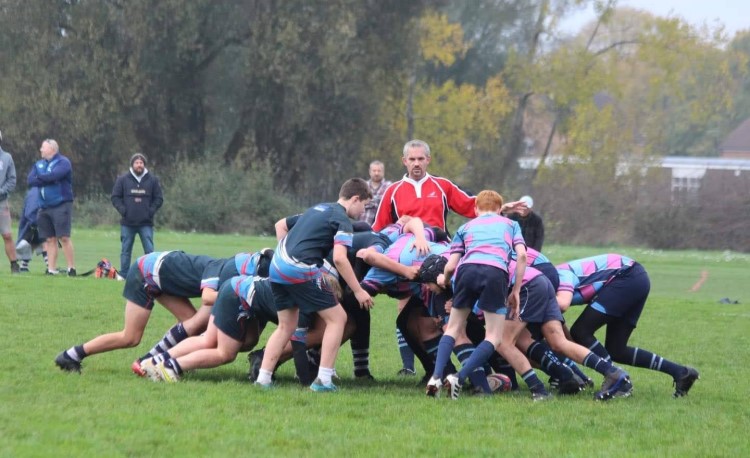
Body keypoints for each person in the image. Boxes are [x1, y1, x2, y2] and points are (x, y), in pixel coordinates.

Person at [254, 178, 373, 392]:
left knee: (285, 326)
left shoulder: (317, 209)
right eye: (364, 205)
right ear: (355, 199)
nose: (363, 211)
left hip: (277, 266)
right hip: (300, 268)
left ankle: (263, 379)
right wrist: (358, 291)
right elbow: (339, 259)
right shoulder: (342, 220)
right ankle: (324, 380)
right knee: (338, 319)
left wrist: (286, 256)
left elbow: (280, 224)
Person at [556, 253, 700, 398]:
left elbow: (562, 306)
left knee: (581, 330)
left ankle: (619, 381)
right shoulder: (547, 283)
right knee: (617, 350)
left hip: (626, 276)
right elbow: (559, 335)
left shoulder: (560, 275)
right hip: (634, 278)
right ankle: (681, 373)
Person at [54, 251, 218, 373]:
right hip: (145, 273)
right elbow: (207, 300)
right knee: (130, 337)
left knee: (192, 323)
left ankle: (167, 363)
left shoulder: (229, 269)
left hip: (161, 275)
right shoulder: (225, 275)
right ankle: (70, 356)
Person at [372, 139, 476, 232]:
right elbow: (379, 228)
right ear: (404, 161)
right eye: (412, 159)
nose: (416, 163)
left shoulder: (443, 186)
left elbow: (472, 206)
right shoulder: (392, 191)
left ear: (428, 160)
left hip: (439, 244)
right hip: (404, 247)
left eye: (420, 159)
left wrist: (491, 203)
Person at [27, 139, 76, 276]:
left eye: (43, 147)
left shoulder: (63, 162)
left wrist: (42, 178)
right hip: (44, 207)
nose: (41, 150)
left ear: (52, 149)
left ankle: (71, 268)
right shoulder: (39, 164)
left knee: (64, 237)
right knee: (49, 239)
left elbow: (55, 175)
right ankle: (51, 269)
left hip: (61, 204)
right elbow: (30, 180)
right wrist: (46, 178)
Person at [111, 153, 164, 278]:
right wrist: (123, 210)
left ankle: (150, 274)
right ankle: (124, 274)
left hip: (146, 223)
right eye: (136, 163)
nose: (139, 165)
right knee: (125, 251)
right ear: (132, 164)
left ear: (144, 165)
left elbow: (159, 198)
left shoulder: (152, 180)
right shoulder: (123, 179)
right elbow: (115, 197)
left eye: (141, 163)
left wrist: (150, 211)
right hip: (127, 223)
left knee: (150, 251)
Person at [14, 186, 48, 272]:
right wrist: (34, 222)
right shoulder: (37, 191)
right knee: (44, 242)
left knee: (34, 242)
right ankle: (50, 267)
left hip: (31, 221)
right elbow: (31, 210)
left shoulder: (34, 191)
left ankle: (24, 266)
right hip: (34, 221)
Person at [0, 130, 20, 273]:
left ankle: (14, 265)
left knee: (7, 235)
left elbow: (12, 180)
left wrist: (1, 191)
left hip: (1, 202)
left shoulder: (6, 157)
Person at [358, 160, 391, 225]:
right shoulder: (363, 186)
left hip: (383, 226)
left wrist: (368, 202)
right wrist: (378, 201)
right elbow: (359, 202)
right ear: (370, 172)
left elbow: (387, 204)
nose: (376, 173)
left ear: (383, 172)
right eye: (374, 171)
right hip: (364, 225)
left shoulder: (389, 186)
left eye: (379, 171)